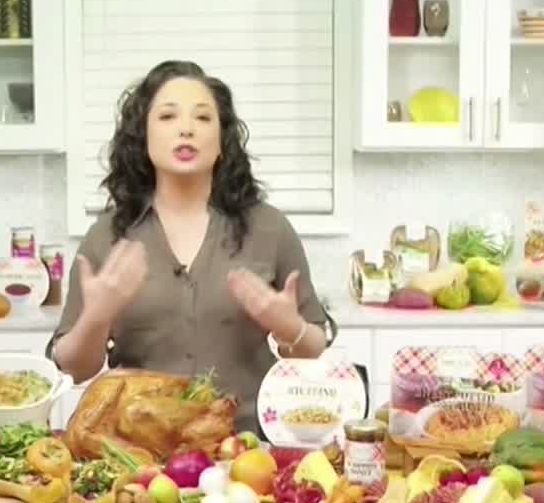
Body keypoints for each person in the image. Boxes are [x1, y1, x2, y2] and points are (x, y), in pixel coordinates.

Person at [47, 60, 332, 435]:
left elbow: (313, 350)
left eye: (202, 117)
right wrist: (96, 318)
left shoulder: (270, 228)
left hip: (247, 445)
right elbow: (73, 368)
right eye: (168, 116)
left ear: (222, 140)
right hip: (139, 448)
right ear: (143, 137)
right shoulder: (107, 237)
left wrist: (289, 326)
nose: (186, 128)